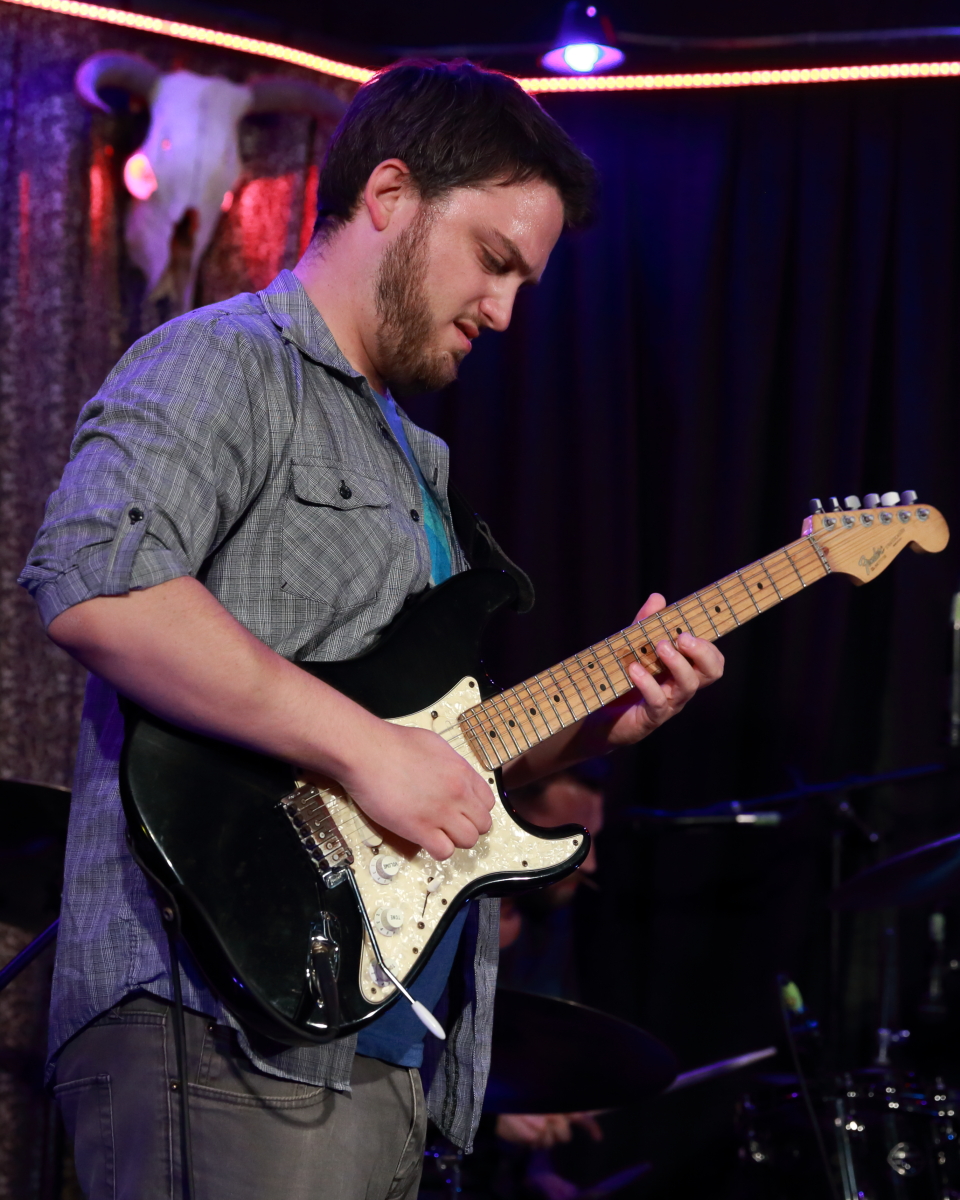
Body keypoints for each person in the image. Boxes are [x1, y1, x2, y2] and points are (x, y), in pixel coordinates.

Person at [18, 59, 724, 1200]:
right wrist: (364, 749)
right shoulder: (224, 358)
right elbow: (100, 586)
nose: (504, 310)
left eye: (524, 282)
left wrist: (594, 727)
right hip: (217, 1015)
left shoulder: (416, 457)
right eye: (493, 259)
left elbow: (425, 755)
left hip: (388, 1042)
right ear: (390, 194)